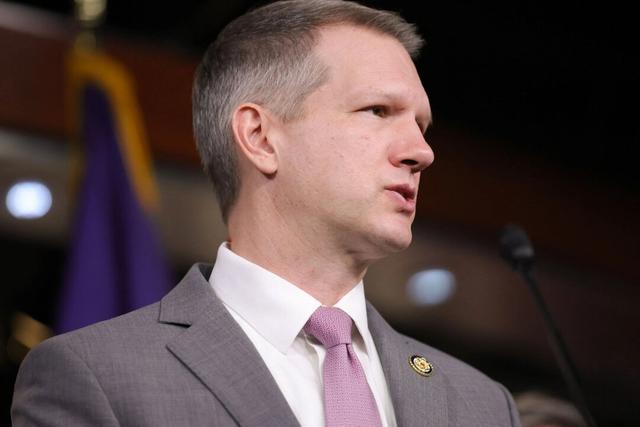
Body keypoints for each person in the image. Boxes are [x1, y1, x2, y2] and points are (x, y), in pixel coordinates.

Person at [12, 1, 522, 425]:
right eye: (378, 111)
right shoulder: (97, 378)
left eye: (422, 125)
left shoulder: (482, 405)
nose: (421, 151)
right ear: (260, 137)